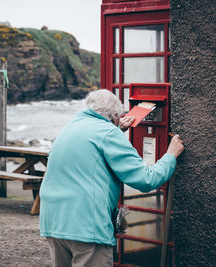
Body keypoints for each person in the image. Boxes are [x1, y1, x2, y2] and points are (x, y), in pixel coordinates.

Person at [39, 89, 184, 267]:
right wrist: (171, 155)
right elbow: (146, 180)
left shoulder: (71, 126)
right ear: (115, 115)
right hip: (85, 225)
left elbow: (91, 149)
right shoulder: (108, 133)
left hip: (53, 222)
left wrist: (116, 128)